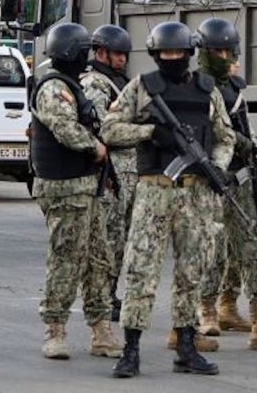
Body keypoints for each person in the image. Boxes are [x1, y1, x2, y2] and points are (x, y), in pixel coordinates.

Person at [103, 21, 236, 378]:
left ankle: (187, 346)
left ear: (190, 54)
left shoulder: (208, 90)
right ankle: (130, 349)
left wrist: (218, 167)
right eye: (165, 54)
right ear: (156, 55)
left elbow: (225, 137)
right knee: (141, 270)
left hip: (197, 193)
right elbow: (109, 128)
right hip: (155, 189)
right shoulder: (143, 87)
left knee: (193, 271)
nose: (172, 59)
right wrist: (150, 131)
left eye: (178, 53)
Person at [196, 18, 257, 352]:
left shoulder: (235, 88)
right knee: (214, 249)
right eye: (217, 50)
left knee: (252, 251)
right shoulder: (197, 87)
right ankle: (205, 309)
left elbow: (247, 132)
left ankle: (256, 320)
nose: (224, 56)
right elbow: (205, 132)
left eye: (228, 50)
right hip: (213, 180)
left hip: (243, 178)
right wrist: (237, 142)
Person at [31, 22, 121, 360]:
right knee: (66, 258)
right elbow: (65, 128)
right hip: (64, 188)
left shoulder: (73, 86)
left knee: (100, 259)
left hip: (86, 187)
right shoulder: (54, 88)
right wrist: (96, 148)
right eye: (83, 50)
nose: (86, 57)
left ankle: (101, 330)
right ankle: (54, 330)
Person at [79, 24, 134, 324]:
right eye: (117, 54)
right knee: (108, 238)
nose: (122, 59)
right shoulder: (95, 83)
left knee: (121, 238)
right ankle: (102, 296)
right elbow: (102, 127)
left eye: (124, 54)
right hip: (110, 173)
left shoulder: (119, 82)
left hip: (128, 172)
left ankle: (110, 292)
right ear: (100, 52)